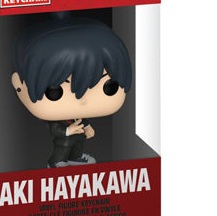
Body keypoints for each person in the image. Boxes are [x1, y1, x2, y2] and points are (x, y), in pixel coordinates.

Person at [11, 16, 132, 168]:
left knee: (77, 145)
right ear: (19, 85)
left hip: (78, 135)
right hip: (65, 138)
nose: (82, 100)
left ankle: (76, 157)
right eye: (55, 91)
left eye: (110, 87)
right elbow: (55, 129)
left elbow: (82, 120)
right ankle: (56, 161)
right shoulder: (57, 119)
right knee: (64, 147)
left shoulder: (77, 115)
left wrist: (87, 127)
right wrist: (69, 130)